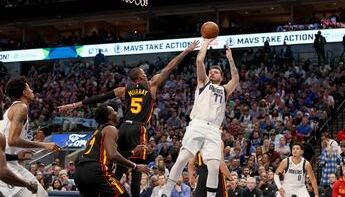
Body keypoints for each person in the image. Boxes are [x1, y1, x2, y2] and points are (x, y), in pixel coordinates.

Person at [58, 40, 199, 197]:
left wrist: (75, 104)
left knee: (121, 164)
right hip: (137, 128)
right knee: (138, 168)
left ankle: (109, 190)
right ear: (138, 78)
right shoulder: (151, 84)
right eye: (143, 73)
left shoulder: (124, 89)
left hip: (123, 127)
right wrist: (187, 50)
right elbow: (170, 66)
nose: (146, 74)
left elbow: (101, 97)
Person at [161, 39, 239, 197]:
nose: (212, 73)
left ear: (221, 77)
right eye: (211, 71)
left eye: (216, 72)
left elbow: (236, 79)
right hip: (198, 124)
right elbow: (199, 60)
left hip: (213, 130)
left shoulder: (225, 90)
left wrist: (230, 58)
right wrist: (206, 43)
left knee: (214, 166)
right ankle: (165, 192)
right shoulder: (204, 83)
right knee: (183, 157)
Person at [0, 76, 60, 197]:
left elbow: (11, 139)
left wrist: (17, 155)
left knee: (42, 193)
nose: (32, 91)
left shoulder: (13, 108)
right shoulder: (21, 107)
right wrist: (44, 145)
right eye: (29, 88)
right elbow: (12, 140)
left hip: (11, 160)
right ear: (24, 92)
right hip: (5, 166)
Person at [74, 105, 150, 197]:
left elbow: (107, 153)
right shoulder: (110, 128)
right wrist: (135, 166)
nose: (116, 113)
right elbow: (112, 155)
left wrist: (132, 152)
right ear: (110, 116)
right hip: (96, 171)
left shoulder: (97, 132)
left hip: (80, 172)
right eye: (114, 111)